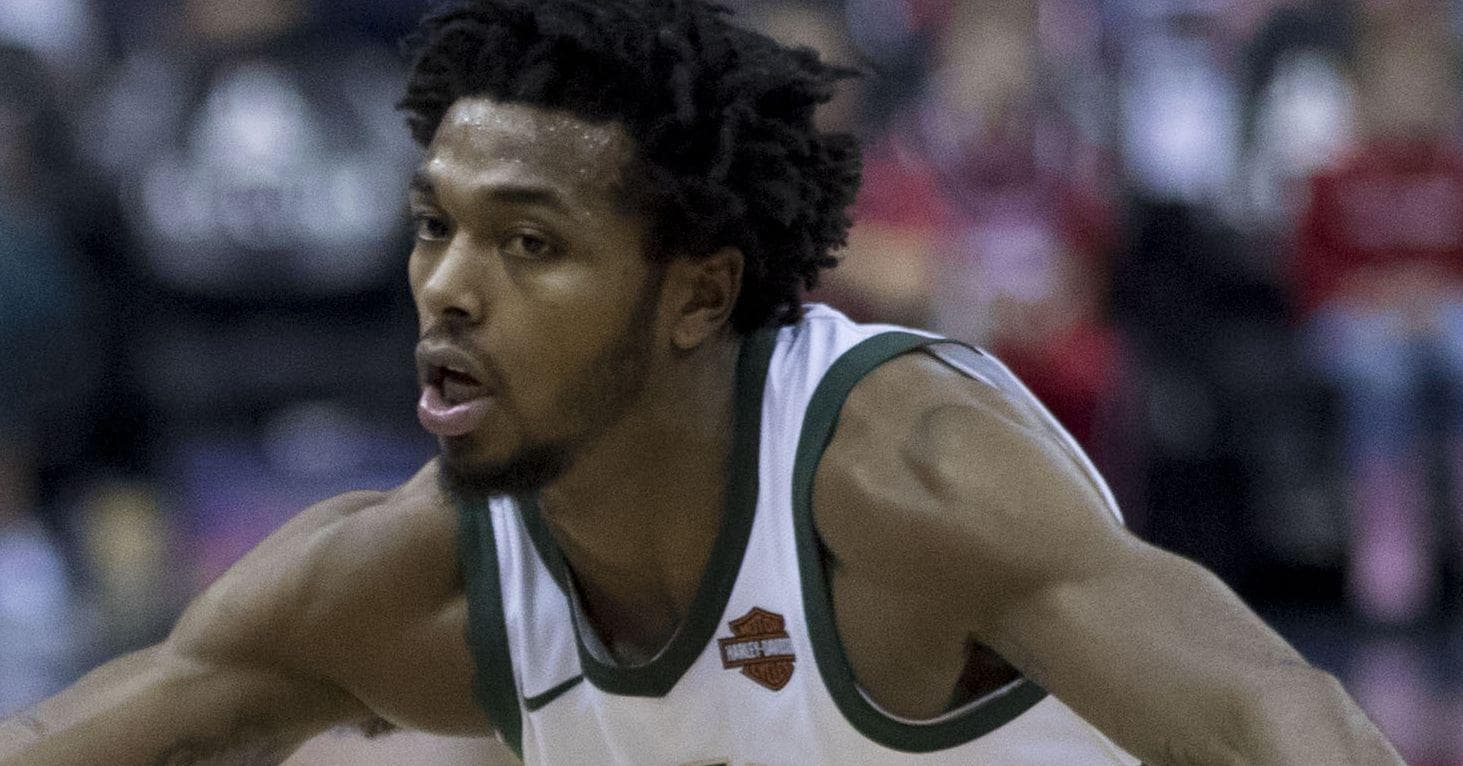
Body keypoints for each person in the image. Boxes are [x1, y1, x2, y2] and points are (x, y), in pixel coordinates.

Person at [0, 1, 1402, 764]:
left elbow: (1291, 725)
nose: (448, 286)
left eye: (529, 243)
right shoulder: (419, 575)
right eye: (435, 225)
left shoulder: (904, 476)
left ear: (699, 292)